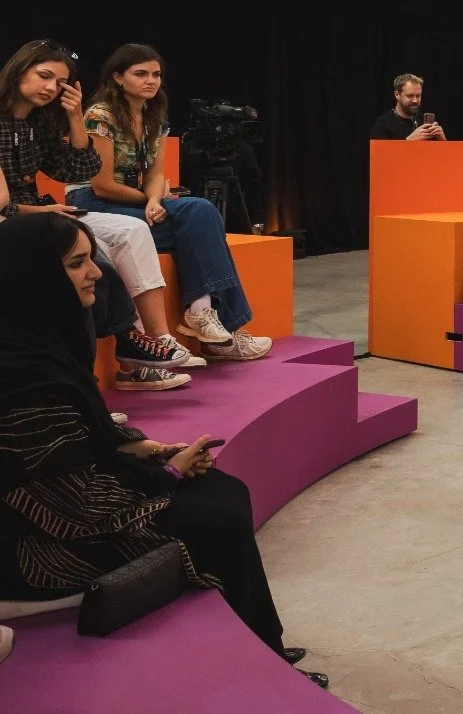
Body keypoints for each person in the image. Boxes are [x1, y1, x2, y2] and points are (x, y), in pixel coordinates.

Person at [0, 215, 327, 688]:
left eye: (91, 259)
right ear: (33, 277)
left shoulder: (35, 346)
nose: (96, 273)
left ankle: (263, 646)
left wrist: (152, 450)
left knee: (219, 492)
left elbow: (89, 434)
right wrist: (167, 473)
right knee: (215, 513)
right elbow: (73, 507)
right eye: (77, 263)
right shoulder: (19, 381)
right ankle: (264, 662)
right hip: (31, 548)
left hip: (64, 508)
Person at [0, 40, 195, 389]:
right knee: (85, 252)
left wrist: (75, 117)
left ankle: (155, 339)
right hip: (26, 217)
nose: (51, 88)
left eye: (60, 83)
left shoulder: (40, 122)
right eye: (44, 76)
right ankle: (127, 340)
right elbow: (3, 205)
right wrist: (41, 211)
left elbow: (79, 168)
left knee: (131, 230)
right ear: (18, 71)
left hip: (44, 213)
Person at [65, 44, 271, 361]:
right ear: (118, 77)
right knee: (198, 223)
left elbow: (156, 173)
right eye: (140, 74)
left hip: (135, 201)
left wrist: (153, 198)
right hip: (93, 202)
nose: (151, 80)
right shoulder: (100, 116)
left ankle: (203, 314)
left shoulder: (154, 116)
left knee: (201, 215)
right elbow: (102, 185)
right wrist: (149, 200)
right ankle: (219, 329)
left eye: (156, 74)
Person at [371, 73, 445, 140]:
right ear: (397, 95)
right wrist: (409, 140)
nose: (415, 100)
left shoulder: (425, 122)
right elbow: (381, 151)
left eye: (418, 96)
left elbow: (441, 151)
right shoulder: (383, 124)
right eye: (410, 96)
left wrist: (442, 140)